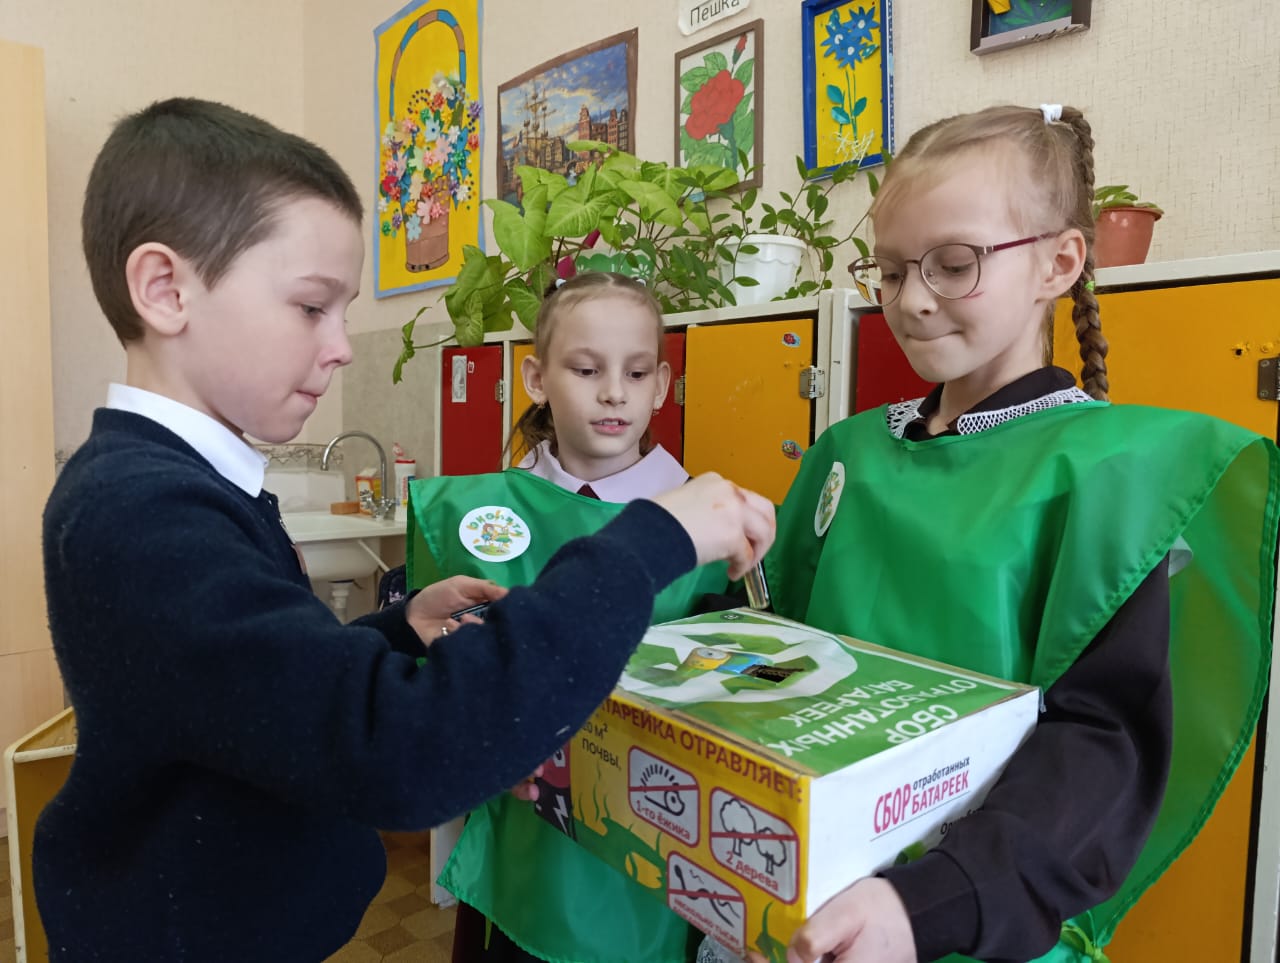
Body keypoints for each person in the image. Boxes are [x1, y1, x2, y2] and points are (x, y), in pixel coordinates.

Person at [36, 98, 775, 963]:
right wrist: (653, 538)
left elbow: (262, 689)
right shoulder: (142, 514)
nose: (343, 346)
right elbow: (399, 751)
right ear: (166, 290)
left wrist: (397, 629)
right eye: (312, 307)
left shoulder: (164, 485)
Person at [748, 104, 1279, 963]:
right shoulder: (848, 452)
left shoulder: (1107, 476)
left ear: (1059, 263)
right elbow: (771, 649)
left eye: (955, 264)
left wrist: (932, 902)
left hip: (968, 919)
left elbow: (1100, 742)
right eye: (891, 270)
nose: (912, 299)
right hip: (810, 890)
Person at [405, 271, 722, 963]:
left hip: (652, 844)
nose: (614, 392)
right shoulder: (469, 515)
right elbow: (437, 680)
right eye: (586, 369)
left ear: (662, 385)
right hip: (518, 846)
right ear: (536, 378)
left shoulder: (707, 523)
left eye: (636, 372)